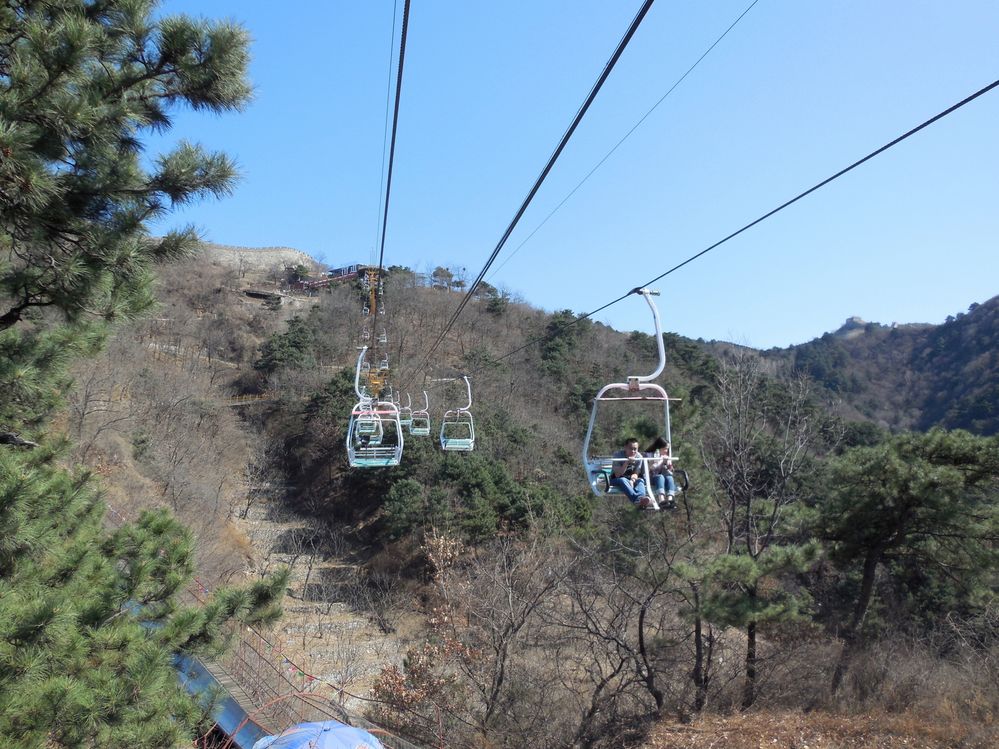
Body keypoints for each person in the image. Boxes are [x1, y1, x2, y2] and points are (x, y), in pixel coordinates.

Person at [611, 437, 659, 510]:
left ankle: (641, 498)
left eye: (635, 449)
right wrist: (627, 462)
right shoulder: (618, 455)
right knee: (623, 480)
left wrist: (632, 480)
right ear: (625, 448)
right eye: (631, 448)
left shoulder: (638, 456)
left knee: (640, 480)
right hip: (616, 479)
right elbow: (618, 474)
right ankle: (637, 500)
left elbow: (636, 473)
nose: (633, 451)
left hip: (630, 479)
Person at [645, 436, 678, 509]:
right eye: (665, 448)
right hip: (651, 477)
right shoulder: (649, 455)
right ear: (659, 447)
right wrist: (661, 461)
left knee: (669, 478)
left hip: (662, 478)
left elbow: (671, 471)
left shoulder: (665, 456)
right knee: (660, 477)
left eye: (667, 449)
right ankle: (661, 500)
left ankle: (670, 499)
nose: (666, 451)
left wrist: (669, 466)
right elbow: (651, 468)